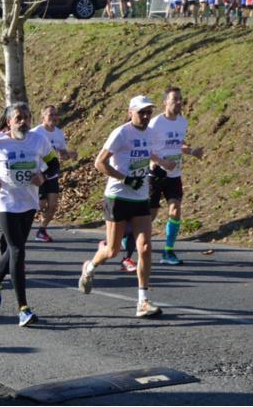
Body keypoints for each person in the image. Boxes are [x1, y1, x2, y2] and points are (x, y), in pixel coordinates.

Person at [78, 95, 177, 318]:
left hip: (140, 198)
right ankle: (90, 267)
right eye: (141, 112)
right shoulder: (121, 133)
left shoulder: (151, 133)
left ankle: (142, 301)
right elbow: (99, 163)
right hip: (118, 197)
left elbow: (148, 152)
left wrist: (161, 164)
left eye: (149, 112)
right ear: (130, 112)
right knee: (113, 251)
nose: (145, 116)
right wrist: (124, 178)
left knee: (145, 248)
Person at [0, 102, 59, 327]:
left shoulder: (39, 140)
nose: (23, 121)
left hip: (28, 201)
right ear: (9, 121)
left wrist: (43, 175)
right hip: (4, 201)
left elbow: (54, 164)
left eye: (27, 117)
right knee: (18, 250)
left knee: (15, 247)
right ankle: (23, 308)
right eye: (18, 118)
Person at [148, 87, 204, 265]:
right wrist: (162, 163)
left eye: (180, 99)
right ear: (165, 102)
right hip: (155, 174)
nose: (179, 102)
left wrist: (191, 151)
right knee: (150, 215)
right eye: (175, 100)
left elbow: (178, 144)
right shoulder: (155, 123)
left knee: (175, 210)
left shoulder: (182, 122)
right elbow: (145, 148)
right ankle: (130, 236)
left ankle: (168, 251)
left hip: (174, 174)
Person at [31, 105, 77, 243]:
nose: (54, 117)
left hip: (51, 173)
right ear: (43, 117)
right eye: (50, 114)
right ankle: (21, 221)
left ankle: (41, 230)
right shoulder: (35, 133)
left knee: (52, 205)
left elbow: (61, 154)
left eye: (55, 114)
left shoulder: (59, 133)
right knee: (41, 204)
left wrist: (69, 154)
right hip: (38, 173)